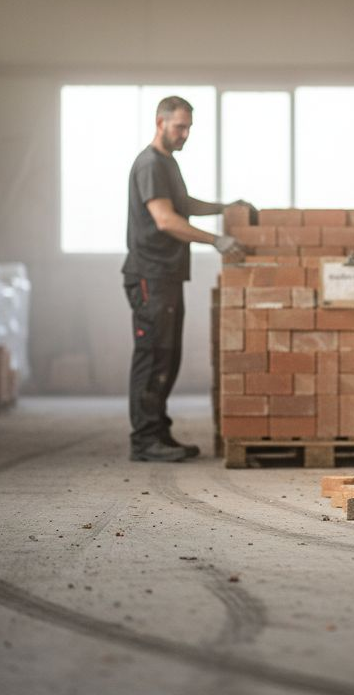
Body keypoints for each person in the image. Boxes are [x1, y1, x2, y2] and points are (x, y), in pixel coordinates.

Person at [122, 95, 250, 462]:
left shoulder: (167, 164)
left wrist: (224, 207)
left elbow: (184, 204)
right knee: (153, 355)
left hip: (166, 275)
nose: (185, 134)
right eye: (179, 127)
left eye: (189, 127)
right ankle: (144, 440)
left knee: (168, 356)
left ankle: (158, 432)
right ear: (160, 123)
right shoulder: (149, 163)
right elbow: (165, 219)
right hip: (149, 274)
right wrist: (216, 239)